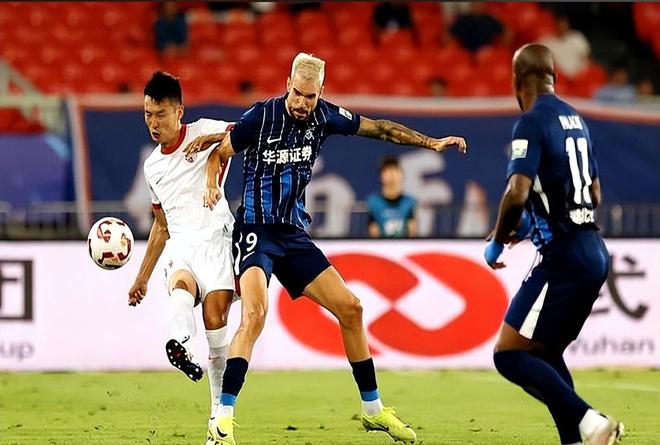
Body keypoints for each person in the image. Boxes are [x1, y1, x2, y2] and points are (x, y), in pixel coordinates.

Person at [185, 52, 466, 445]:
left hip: (293, 235)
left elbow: (380, 129)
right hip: (256, 231)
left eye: (310, 96)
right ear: (288, 85)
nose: (302, 103)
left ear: (321, 92)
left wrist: (430, 142)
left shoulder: (325, 116)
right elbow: (220, 154)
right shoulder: (261, 116)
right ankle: (223, 418)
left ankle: (372, 410)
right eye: (297, 94)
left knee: (352, 309)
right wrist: (211, 185)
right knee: (255, 314)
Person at [484, 44, 624, 445]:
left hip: (563, 256)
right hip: (593, 251)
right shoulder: (576, 119)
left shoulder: (530, 122)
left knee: (509, 355)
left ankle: (591, 421)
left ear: (516, 81)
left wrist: (498, 241)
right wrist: (534, 223)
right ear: (554, 78)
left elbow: (516, 191)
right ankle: (575, 439)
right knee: (544, 353)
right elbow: (593, 194)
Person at [127, 71, 235, 445]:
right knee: (179, 290)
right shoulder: (152, 166)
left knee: (216, 326)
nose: (153, 123)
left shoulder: (205, 128)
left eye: (160, 114)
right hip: (182, 245)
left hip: (217, 240)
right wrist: (141, 277)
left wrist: (210, 142)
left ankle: (218, 420)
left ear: (179, 111)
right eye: (147, 115)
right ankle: (181, 346)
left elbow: (246, 132)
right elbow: (161, 226)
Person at [367, 155, 417, 238]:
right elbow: (373, 233)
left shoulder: (409, 202)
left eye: (395, 170)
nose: (392, 175)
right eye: (388, 171)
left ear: (401, 174)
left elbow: (412, 232)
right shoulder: (374, 202)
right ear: (381, 176)